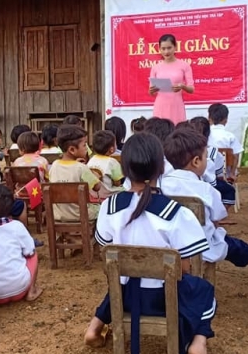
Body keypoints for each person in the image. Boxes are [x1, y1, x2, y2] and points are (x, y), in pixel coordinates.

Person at [84, 133, 215, 353]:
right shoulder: (175, 213)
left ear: (124, 168)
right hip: (162, 299)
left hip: (123, 295)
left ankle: (94, 328)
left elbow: (105, 250)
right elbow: (183, 267)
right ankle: (199, 342)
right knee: (204, 289)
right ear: (161, 168)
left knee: (121, 283)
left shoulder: (110, 206)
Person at [161, 128, 248, 270]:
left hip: (171, 244)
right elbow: (216, 221)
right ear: (196, 161)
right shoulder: (206, 190)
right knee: (240, 249)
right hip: (205, 246)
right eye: (205, 157)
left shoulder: (161, 184)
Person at [48, 125, 102, 221]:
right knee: (102, 209)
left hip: (58, 214)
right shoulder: (81, 168)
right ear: (72, 150)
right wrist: (95, 175)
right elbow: (97, 187)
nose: (87, 148)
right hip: (81, 214)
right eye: (84, 145)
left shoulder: (54, 165)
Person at [148, 34, 195, 124]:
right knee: (160, 132)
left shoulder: (184, 65)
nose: (166, 51)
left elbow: (191, 89)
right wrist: (152, 90)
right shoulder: (155, 67)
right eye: (163, 48)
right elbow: (152, 93)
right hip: (160, 105)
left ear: (175, 47)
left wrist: (182, 86)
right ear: (159, 49)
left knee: (177, 132)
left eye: (169, 48)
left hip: (176, 105)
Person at [207, 103, 241, 209]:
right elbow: (236, 155)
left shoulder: (206, 134)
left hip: (207, 172)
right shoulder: (230, 136)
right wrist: (232, 173)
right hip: (226, 174)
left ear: (209, 119)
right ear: (226, 120)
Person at [187, 117, 225, 188]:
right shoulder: (215, 154)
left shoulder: (182, 150)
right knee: (229, 191)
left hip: (186, 185)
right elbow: (219, 177)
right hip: (208, 188)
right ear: (209, 133)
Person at [86, 130, 124, 197]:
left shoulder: (91, 159)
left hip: (93, 193)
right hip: (108, 193)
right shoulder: (112, 162)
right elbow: (117, 183)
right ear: (111, 149)